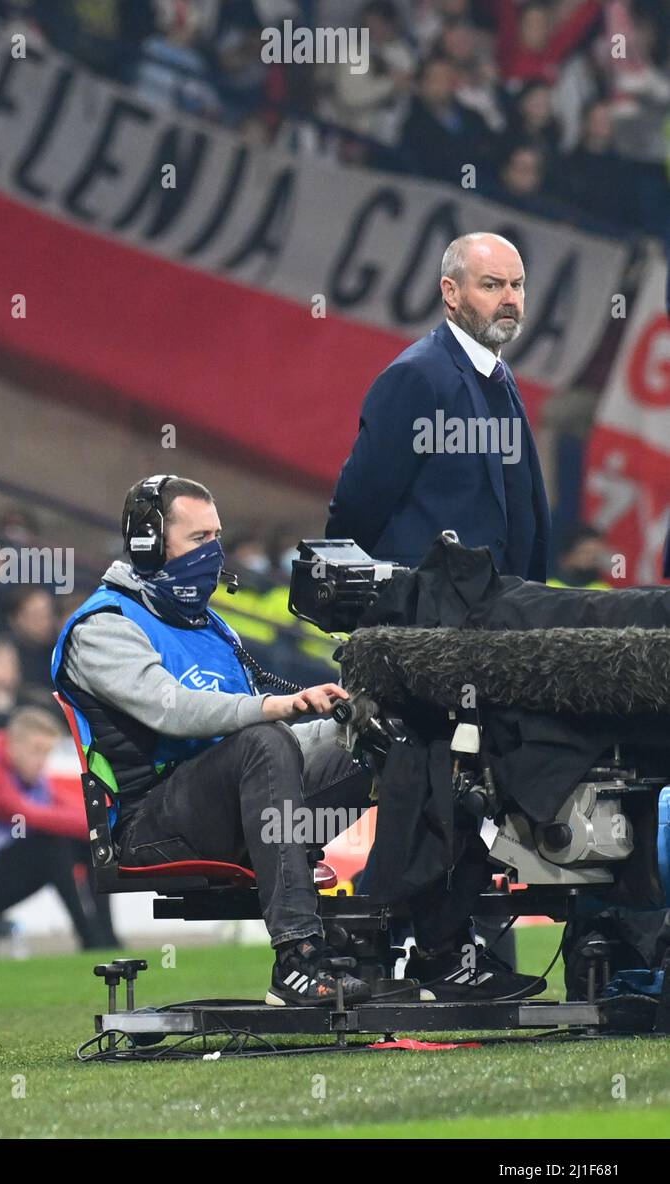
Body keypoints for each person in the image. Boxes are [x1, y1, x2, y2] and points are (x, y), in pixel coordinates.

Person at [53, 475, 542, 1004]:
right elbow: (172, 710)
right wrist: (274, 705)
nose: (213, 553)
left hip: (239, 803)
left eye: (216, 537)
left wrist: (351, 716)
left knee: (404, 733)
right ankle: (297, 960)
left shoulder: (211, 627)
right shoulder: (102, 626)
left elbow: (277, 744)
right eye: (198, 539)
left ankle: (441, 950)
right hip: (153, 822)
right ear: (148, 544)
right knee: (263, 739)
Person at [326, 232, 552, 580]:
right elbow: (359, 502)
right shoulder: (417, 375)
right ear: (451, 292)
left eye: (517, 285)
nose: (510, 299)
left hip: (500, 614)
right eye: (492, 286)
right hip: (426, 617)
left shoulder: (499, 375)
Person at [0, 706, 112, 953]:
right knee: (53, 845)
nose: (42, 761)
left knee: (90, 844)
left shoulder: (23, 773)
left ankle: (107, 938)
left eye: (46, 753)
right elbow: (29, 815)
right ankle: (93, 941)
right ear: (13, 744)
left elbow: (67, 811)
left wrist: (97, 827)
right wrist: (99, 823)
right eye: (37, 751)